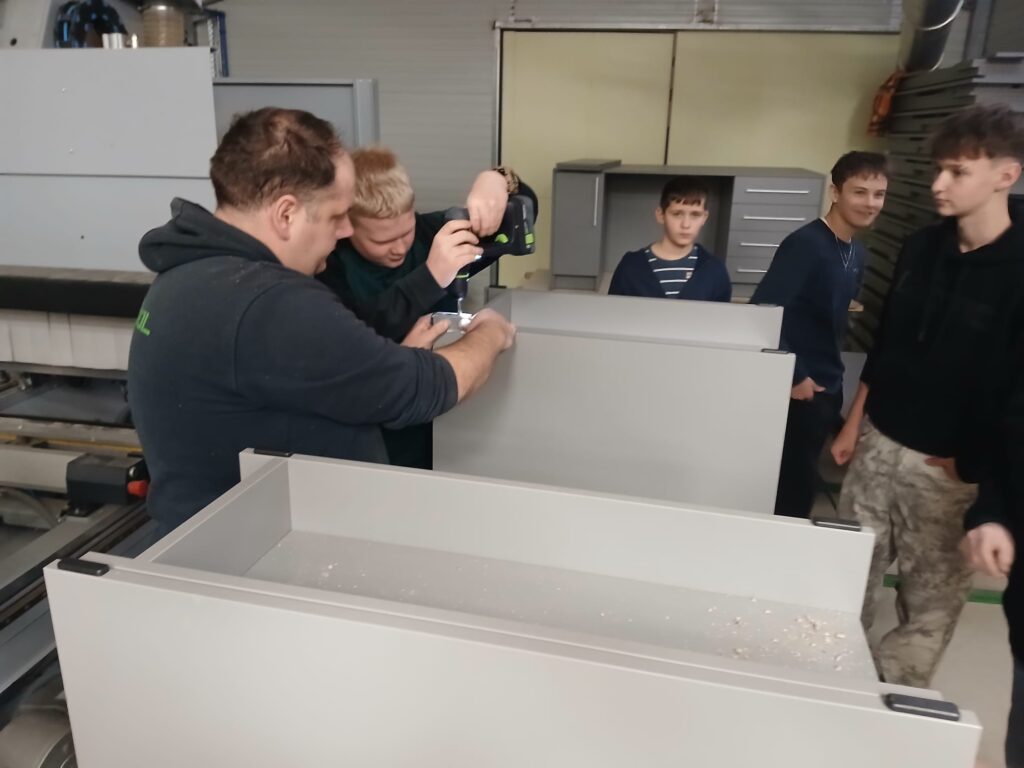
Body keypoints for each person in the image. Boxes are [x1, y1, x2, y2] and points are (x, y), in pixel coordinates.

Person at [128, 108, 516, 535]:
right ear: (286, 214)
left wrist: (498, 180)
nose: (347, 230)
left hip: (231, 533)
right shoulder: (268, 302)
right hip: (257, 549)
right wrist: (491, 333)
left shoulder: (189, 276)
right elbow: (423, 387)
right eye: (336, 216)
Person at [833, 103, 1024, 688]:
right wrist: (855, 424)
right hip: (879, 445)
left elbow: (1016, 395)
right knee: (840, 582)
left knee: (928, 608)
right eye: (939, 169)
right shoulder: (921, 247)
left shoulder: (1017, 269)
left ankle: (889, 706)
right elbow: (887, 344)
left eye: (958, 172)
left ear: (1006, 175)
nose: (939, 184)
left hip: (947, 475)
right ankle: (830, 687)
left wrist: (976, 469)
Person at [317, 146, 535, 468]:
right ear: (348, 226)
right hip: (378, 444)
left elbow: (522, 219)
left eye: (405, 232)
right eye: (381, 241)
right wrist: (431, 277)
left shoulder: (431, 234)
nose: (399, 248)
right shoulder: (328, 265)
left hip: (449, 426)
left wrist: (498, 182)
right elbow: (358, 333)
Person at [751, 152, 889, 519]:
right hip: (801, 390)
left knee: (804, 487)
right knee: (790, 497)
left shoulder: (856, 251)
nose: (870, 203)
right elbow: (762, 311)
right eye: (859, 192)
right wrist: (794, 375)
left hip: (828, 384)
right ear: (835, 192)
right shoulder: (806, 244)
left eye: (878, 194)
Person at [607, 176, 731, 302]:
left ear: (704, 218)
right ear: (661, 215)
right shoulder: (631, 267)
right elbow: (613, 310)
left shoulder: (715, 270)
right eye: (677, 214)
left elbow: (723, 313)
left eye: (695, 215)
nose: (686, 225)